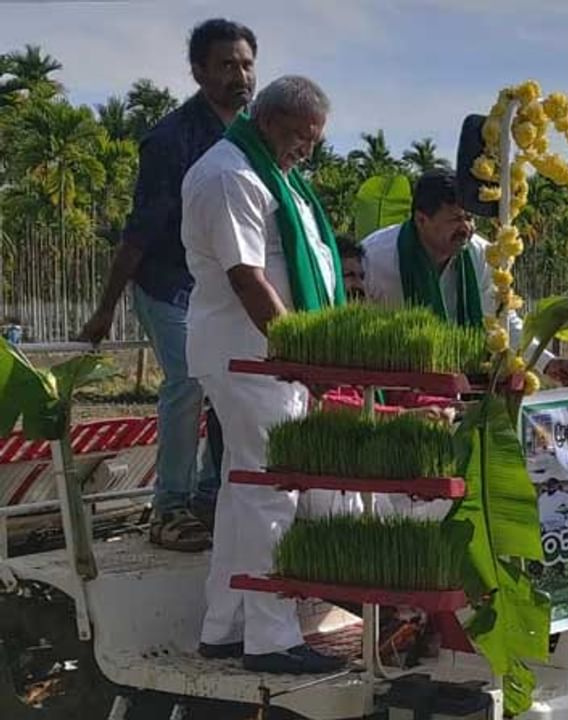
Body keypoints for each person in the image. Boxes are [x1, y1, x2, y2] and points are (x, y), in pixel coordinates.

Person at [182, 74, 347, 673]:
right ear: (269, 119)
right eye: (301, 137)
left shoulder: (275, 177)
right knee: (271, 491)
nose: (306, 149)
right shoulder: (232, 175)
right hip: (252, 357)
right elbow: (248, 279)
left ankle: (223, 628)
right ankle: (272, 640)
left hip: (271, 362)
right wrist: (303, 352)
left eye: (314, 140)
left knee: (244, 490)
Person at [78, 18, 258, 550]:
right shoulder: (171, 140)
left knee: (235, 384)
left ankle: (210, 493)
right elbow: (139, 232)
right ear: (199, 71)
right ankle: (168, 508)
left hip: (228, 289)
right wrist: (105, 308)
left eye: (246, 64)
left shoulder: (256, 136)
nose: (239, 75)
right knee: (188, 378)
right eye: (226, 64)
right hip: (168, 284)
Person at [359, 169, 568, 385]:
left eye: (470, 218)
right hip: (391, 384)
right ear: (421, 220)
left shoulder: (482, 254)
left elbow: (502, 319)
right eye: (455, 219)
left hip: (464, 383)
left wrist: (546, 362)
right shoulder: (375, 257)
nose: (466, 228)